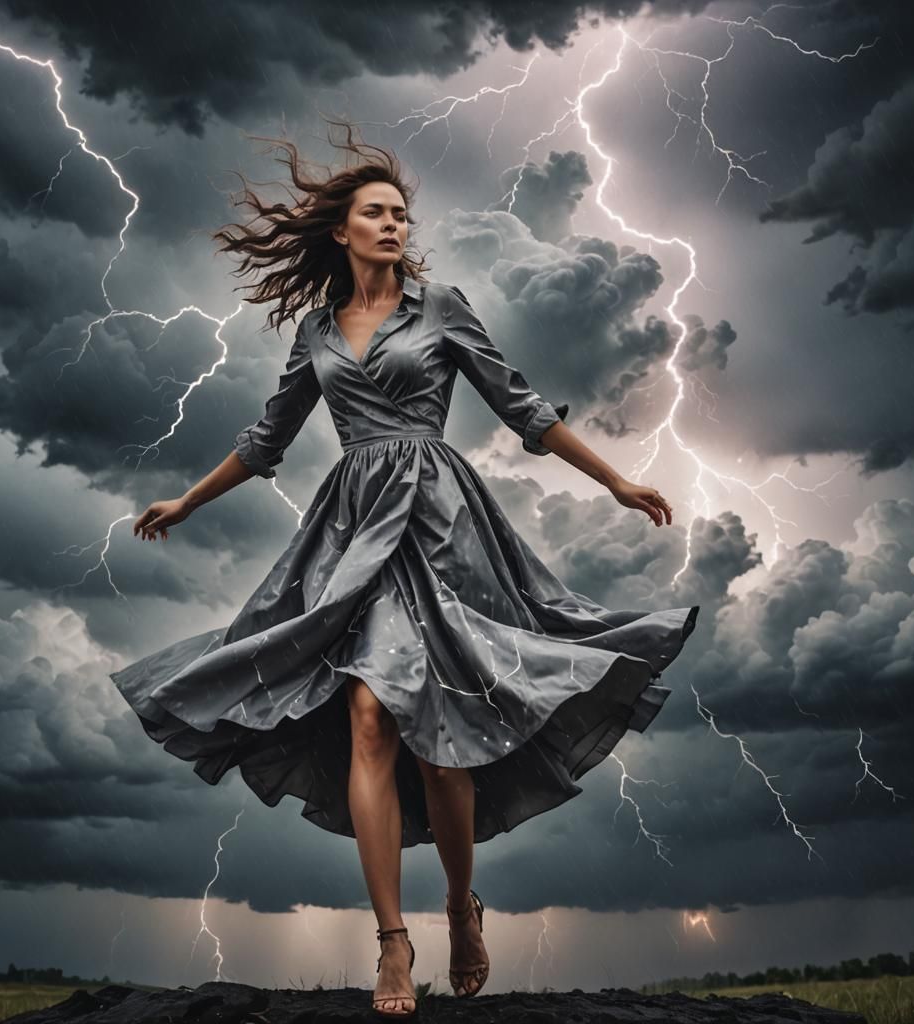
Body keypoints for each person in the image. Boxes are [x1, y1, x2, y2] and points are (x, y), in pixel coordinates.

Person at [109, 120, 700, 1018]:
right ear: (341, 232)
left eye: (399, 216)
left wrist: (615, 478)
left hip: (441, 524)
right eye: (375, 215)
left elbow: (523, 408)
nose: (393, 226)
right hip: (351, 533)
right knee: (369, 716)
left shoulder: (444, 309)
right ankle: (392, 943)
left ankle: (462, 906)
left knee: (441, 742)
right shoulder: (316, 330)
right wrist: (188, 502)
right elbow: (267, 442)